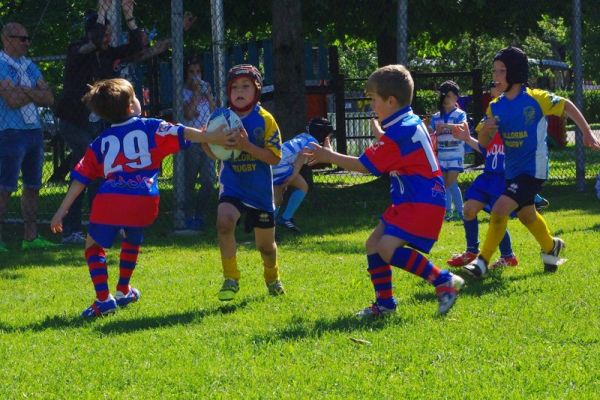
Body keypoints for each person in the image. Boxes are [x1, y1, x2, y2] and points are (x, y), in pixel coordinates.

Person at [50, 78, 234, 318]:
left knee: (93, 246)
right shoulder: (150, 126)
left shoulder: (99, 143)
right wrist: (212, 136)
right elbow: (183, 131)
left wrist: (61, 211)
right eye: (135, 96)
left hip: (111, 198)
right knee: (132, 237)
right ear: (130, 107)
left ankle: (103, 299)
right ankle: (124, 289)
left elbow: (80, 180)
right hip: (145, 198)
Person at [303, 64, 464, 317]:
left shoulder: (398, 133)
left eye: (373, 99)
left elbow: (365, 166)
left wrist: (328, 155)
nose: (372, 106)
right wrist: (381, 134)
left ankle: (443, 280)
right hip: (415, 198)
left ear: (391, 101)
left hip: (420, 201)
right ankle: (385, 304)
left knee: (387, 248)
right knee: (374, 244)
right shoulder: (409, 122)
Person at [463, 46, 600, 278]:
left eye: (501, 71)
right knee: (527, 215)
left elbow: (566, 104)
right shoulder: (495, 106)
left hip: (533, 171)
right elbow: (484, 143)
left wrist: (586, 132)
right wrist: (486, 130)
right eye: (494, 71)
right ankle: (551, 247)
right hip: (512, 173)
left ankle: (482, 261)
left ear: (515, 72)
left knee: (499, 209)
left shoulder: (536, 99)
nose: (495, 76)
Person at [55, 0, 144, 245]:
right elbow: (93, 41)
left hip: (95, 124)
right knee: (91, 165)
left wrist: (129, 15)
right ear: (90, 32)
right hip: (72, 121)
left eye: (108, 33)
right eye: (104, 32)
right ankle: (71, 230)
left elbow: (138, 44)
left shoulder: (107, 55)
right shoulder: (76, 50)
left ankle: (97, 227)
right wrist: (103, 11)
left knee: (90, 174)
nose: (107, 38)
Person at [202, 64, 284, 301]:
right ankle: (231, 278)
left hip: (259, 190)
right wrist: (207, 143)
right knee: (224, 223)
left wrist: (247, 146)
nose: (239, 91)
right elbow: (218, 154)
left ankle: (272, 277)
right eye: (234, 87)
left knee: (266, 247)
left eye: (246, 86)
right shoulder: (220, 119)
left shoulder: (265, 119)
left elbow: (274, 157)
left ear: (257, 90)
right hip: (233, 184)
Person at [446, 84, 518, 269]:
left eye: (498, 87)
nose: (494, 89)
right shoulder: (490, 115)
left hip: (503, 178)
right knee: (468, 209)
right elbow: (486, 148)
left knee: (497, 216)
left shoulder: (516, 115)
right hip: (488, 177)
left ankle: (508, 256)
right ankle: (471, 251)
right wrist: (467, 138)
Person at [0, 22, 57, 252]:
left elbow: (49, 97)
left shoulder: (29, 65)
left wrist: (22, 90)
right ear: (7, 39)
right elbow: (11, 102)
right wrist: (34, 93)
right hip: (9, 132)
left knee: (33, 186)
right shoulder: (1, 64)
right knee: (4, 188)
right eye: (22, 39)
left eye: (27, 38)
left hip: (34, 131)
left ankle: (30, 237)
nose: (27, 43)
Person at [176, 56, 216, 233]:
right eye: (192, 72)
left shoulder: (206, 87)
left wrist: (207, 94)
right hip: (191, 140)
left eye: (198, 72)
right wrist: (196, 94)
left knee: (208, 180)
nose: (196, 76)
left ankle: (200, 214)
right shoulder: (183, 92)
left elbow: (215, 111)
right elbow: (189, 114)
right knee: (189, 180)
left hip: (207, 139)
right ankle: (186, 215)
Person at [272, 117, 333, 232]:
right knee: (282, 195)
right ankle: (276, 222)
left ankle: (277, 221)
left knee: (284, 194)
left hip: (275, 162)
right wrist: (291, 178)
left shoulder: (304, 136)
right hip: (281, 165)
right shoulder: (313, 144)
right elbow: (302, 155)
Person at [428, 80, 469, 222]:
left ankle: (460, 211)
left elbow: (463, 127)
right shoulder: (435, 117)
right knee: (446, 184)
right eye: (444, 96)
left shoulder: (460, 114)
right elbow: (431, 134)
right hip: (441, 154)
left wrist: (446, 126)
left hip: (455, 154)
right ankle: (449, 212)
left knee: (449, 183)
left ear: (456, 98)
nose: (446, 99)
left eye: (450, 96)